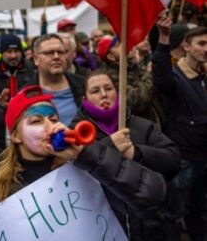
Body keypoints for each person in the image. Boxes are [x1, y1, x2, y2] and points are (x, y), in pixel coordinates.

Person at [0, 85, 167, 240]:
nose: (50, 126)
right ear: (15, 136)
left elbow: (153, 196)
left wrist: (88, 156)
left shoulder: (85, 170)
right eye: (36, 121)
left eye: (53, 119)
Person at [70, 70, 180, 239]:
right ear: (84, 99)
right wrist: (110, 146)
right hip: (106, 226)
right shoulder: (77, 134)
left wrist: (135, 152)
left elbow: (172, 161)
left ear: (118, 92)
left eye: (108, 88)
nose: (104, 94)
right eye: (95, 91)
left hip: (151, 225)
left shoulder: (142, 125)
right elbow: (75, 171)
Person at [153, 16, 207, 240]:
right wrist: (164, 39)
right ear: (186, 47)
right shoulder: (176, 77)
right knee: (174, 213)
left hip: (204, 157)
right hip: (183, 159)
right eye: (201, 44)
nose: (206, 49)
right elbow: (161, 76)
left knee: (201, 212)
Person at [32, 34, 84, 125]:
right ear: (36, 59)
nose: (56, 57)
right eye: (49, 53)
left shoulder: (84, 85)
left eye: (60, 52)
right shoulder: (26, 93)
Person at [0, 34, 36, 107]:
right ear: (2, 53)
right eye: (9, 52)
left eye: (16, 51)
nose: (13, 56)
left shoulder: (31, 68)